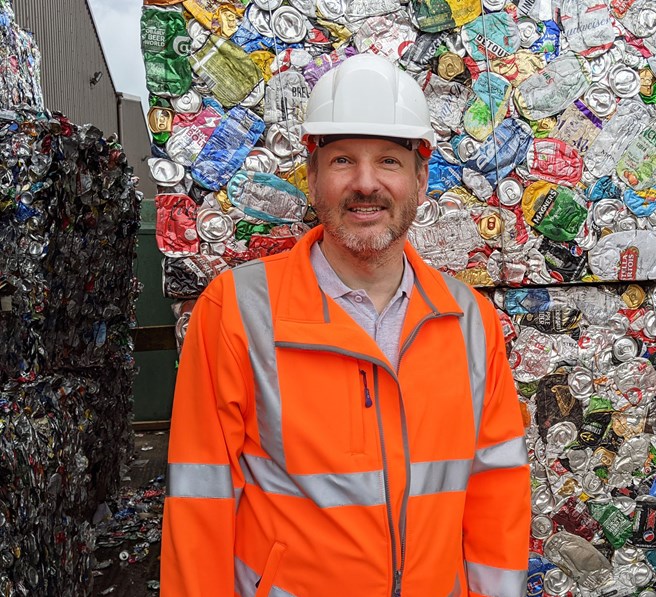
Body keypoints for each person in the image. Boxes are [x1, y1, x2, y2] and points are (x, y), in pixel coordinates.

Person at [161, 53, 530, 597]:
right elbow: (200, 502)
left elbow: (495, 491)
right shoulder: (236, 310)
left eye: (387, 160)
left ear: (420, 179)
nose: (365, 183)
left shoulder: (470, 320)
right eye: (341, 161)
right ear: (311, 177)